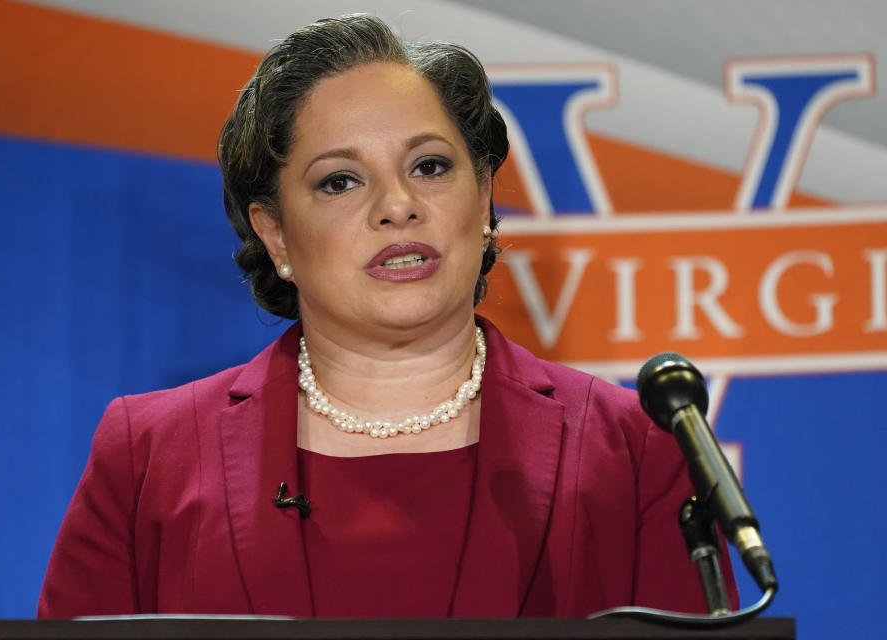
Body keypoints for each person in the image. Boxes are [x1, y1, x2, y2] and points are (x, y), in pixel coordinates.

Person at [38, 14, 737, 618]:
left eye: (430, 166)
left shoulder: (635, 451)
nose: (397, 204)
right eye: (339, 180)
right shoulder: (148, 457)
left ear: (484, 196)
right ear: (276, 234)